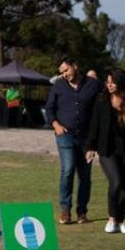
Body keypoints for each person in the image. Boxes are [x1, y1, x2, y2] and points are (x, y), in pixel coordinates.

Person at [86, 68, 125, 234]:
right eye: (108, 81)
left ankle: (121, 221)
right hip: (107, 148)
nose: (109, 84)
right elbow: (94, 125)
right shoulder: (101, 100)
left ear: (121, 82)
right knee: (117, 182)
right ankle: (112, 218)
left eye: (112, 81)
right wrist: (90, 147)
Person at [44, 57, 100, 224]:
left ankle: (82, 211)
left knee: (85, 175)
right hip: (65, 135)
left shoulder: (93, 85)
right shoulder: (58, 86)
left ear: (75, 66)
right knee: (68, 170)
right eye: (61, 72)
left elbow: (103, 106)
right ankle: (65, 210)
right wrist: (56, 126)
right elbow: (49, 108)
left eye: (66, 70)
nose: (64, 74)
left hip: (87, 138)